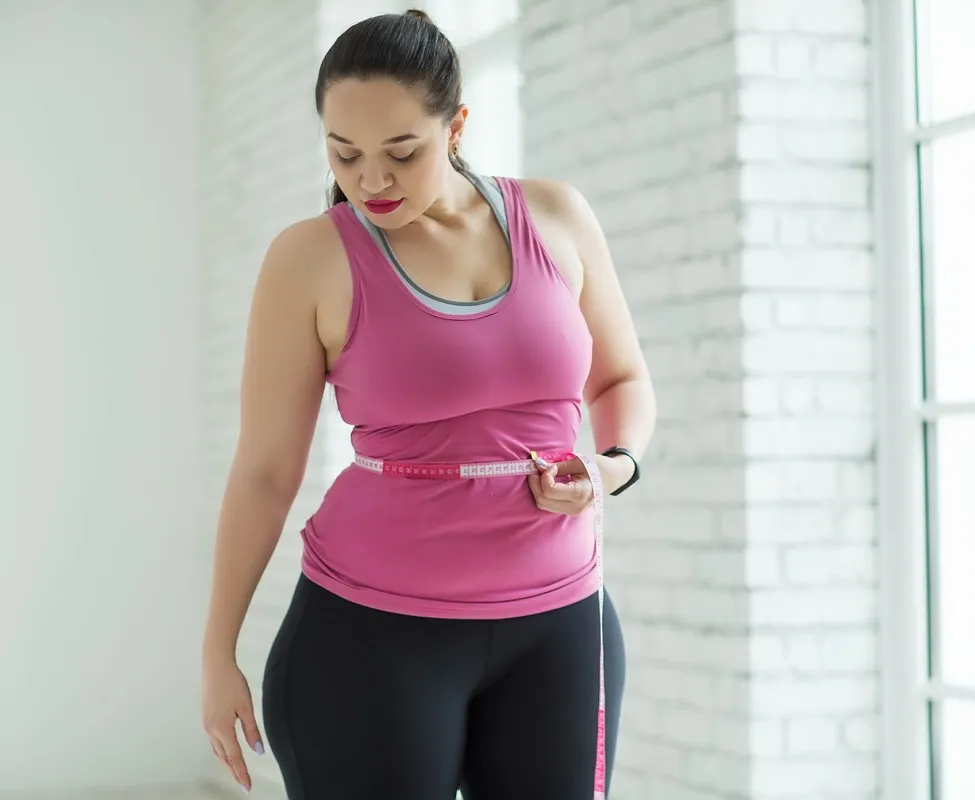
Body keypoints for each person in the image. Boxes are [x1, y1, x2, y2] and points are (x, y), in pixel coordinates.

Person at [199, 9, 656, 800]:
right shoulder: (310, 259)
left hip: (562, 625)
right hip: (370, 639)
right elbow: (267, 469)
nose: (371, 180)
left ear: (455, 128)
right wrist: (217, 651)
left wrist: (610, 468)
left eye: (400, 152)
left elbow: (621, 382)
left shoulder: (556, 218)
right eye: (344, 153)